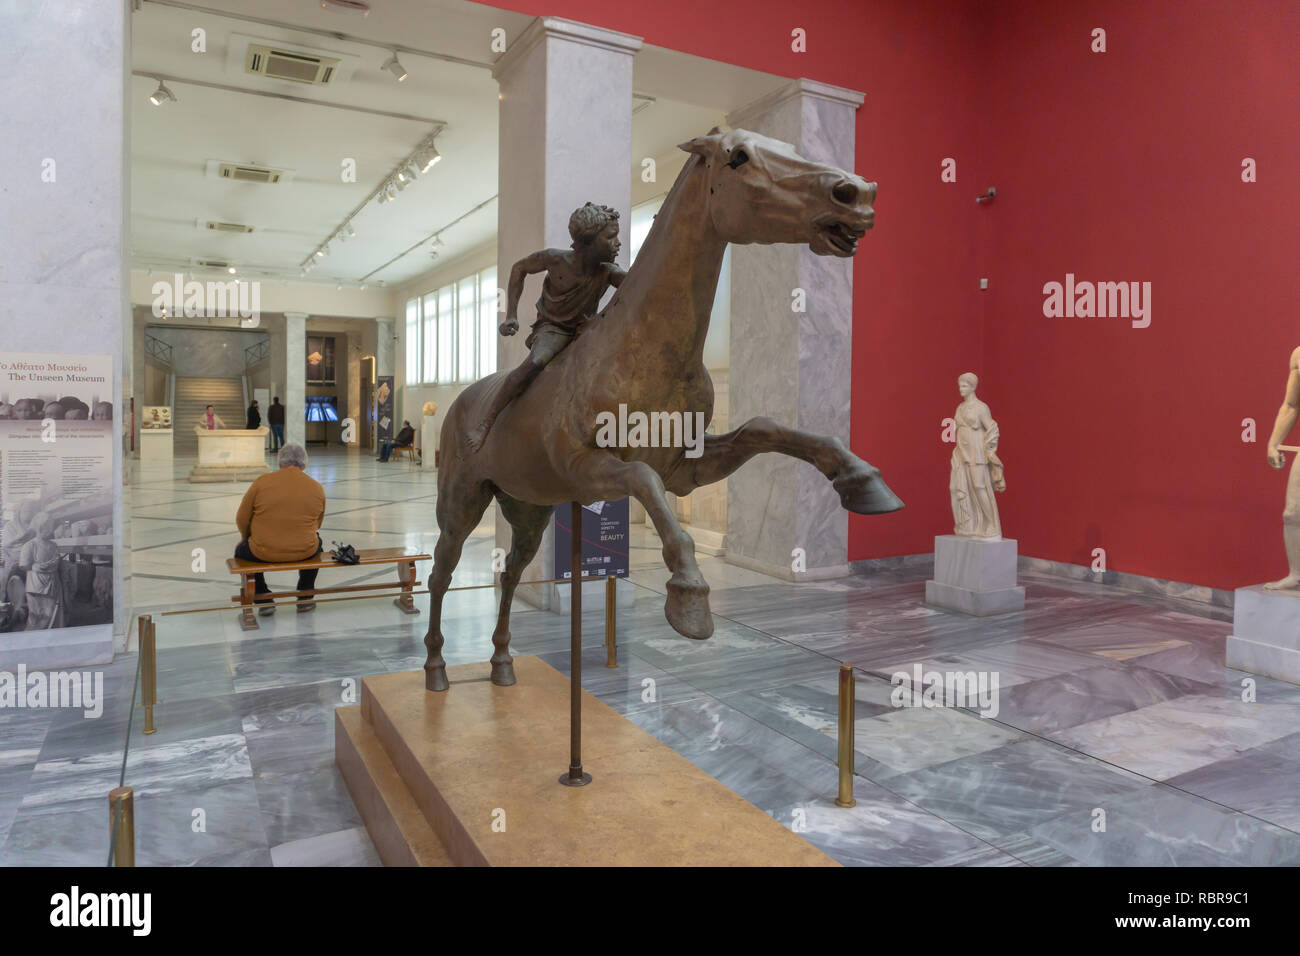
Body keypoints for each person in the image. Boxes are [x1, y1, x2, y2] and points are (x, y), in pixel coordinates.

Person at [466, 202, 626, 452]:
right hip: (555, 329)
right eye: (611, 237)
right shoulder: (555, 259)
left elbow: (637, 283)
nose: (618, 243)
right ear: (588, 242)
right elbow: (519, 269)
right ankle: (486, 422)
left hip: (586, 330)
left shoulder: (608, 272)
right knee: (536, 362)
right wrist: (511, 315)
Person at [233, 443, 326, 615]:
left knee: (241, 552)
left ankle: (263, 598)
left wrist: (246, 537)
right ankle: (305, 596)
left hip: (263, 551)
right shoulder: (316, 487)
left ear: (280, 460)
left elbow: (242, 518)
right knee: (318, 543)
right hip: (305, 550)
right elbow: (317, 523)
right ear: (304, 462)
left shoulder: (262, 482)